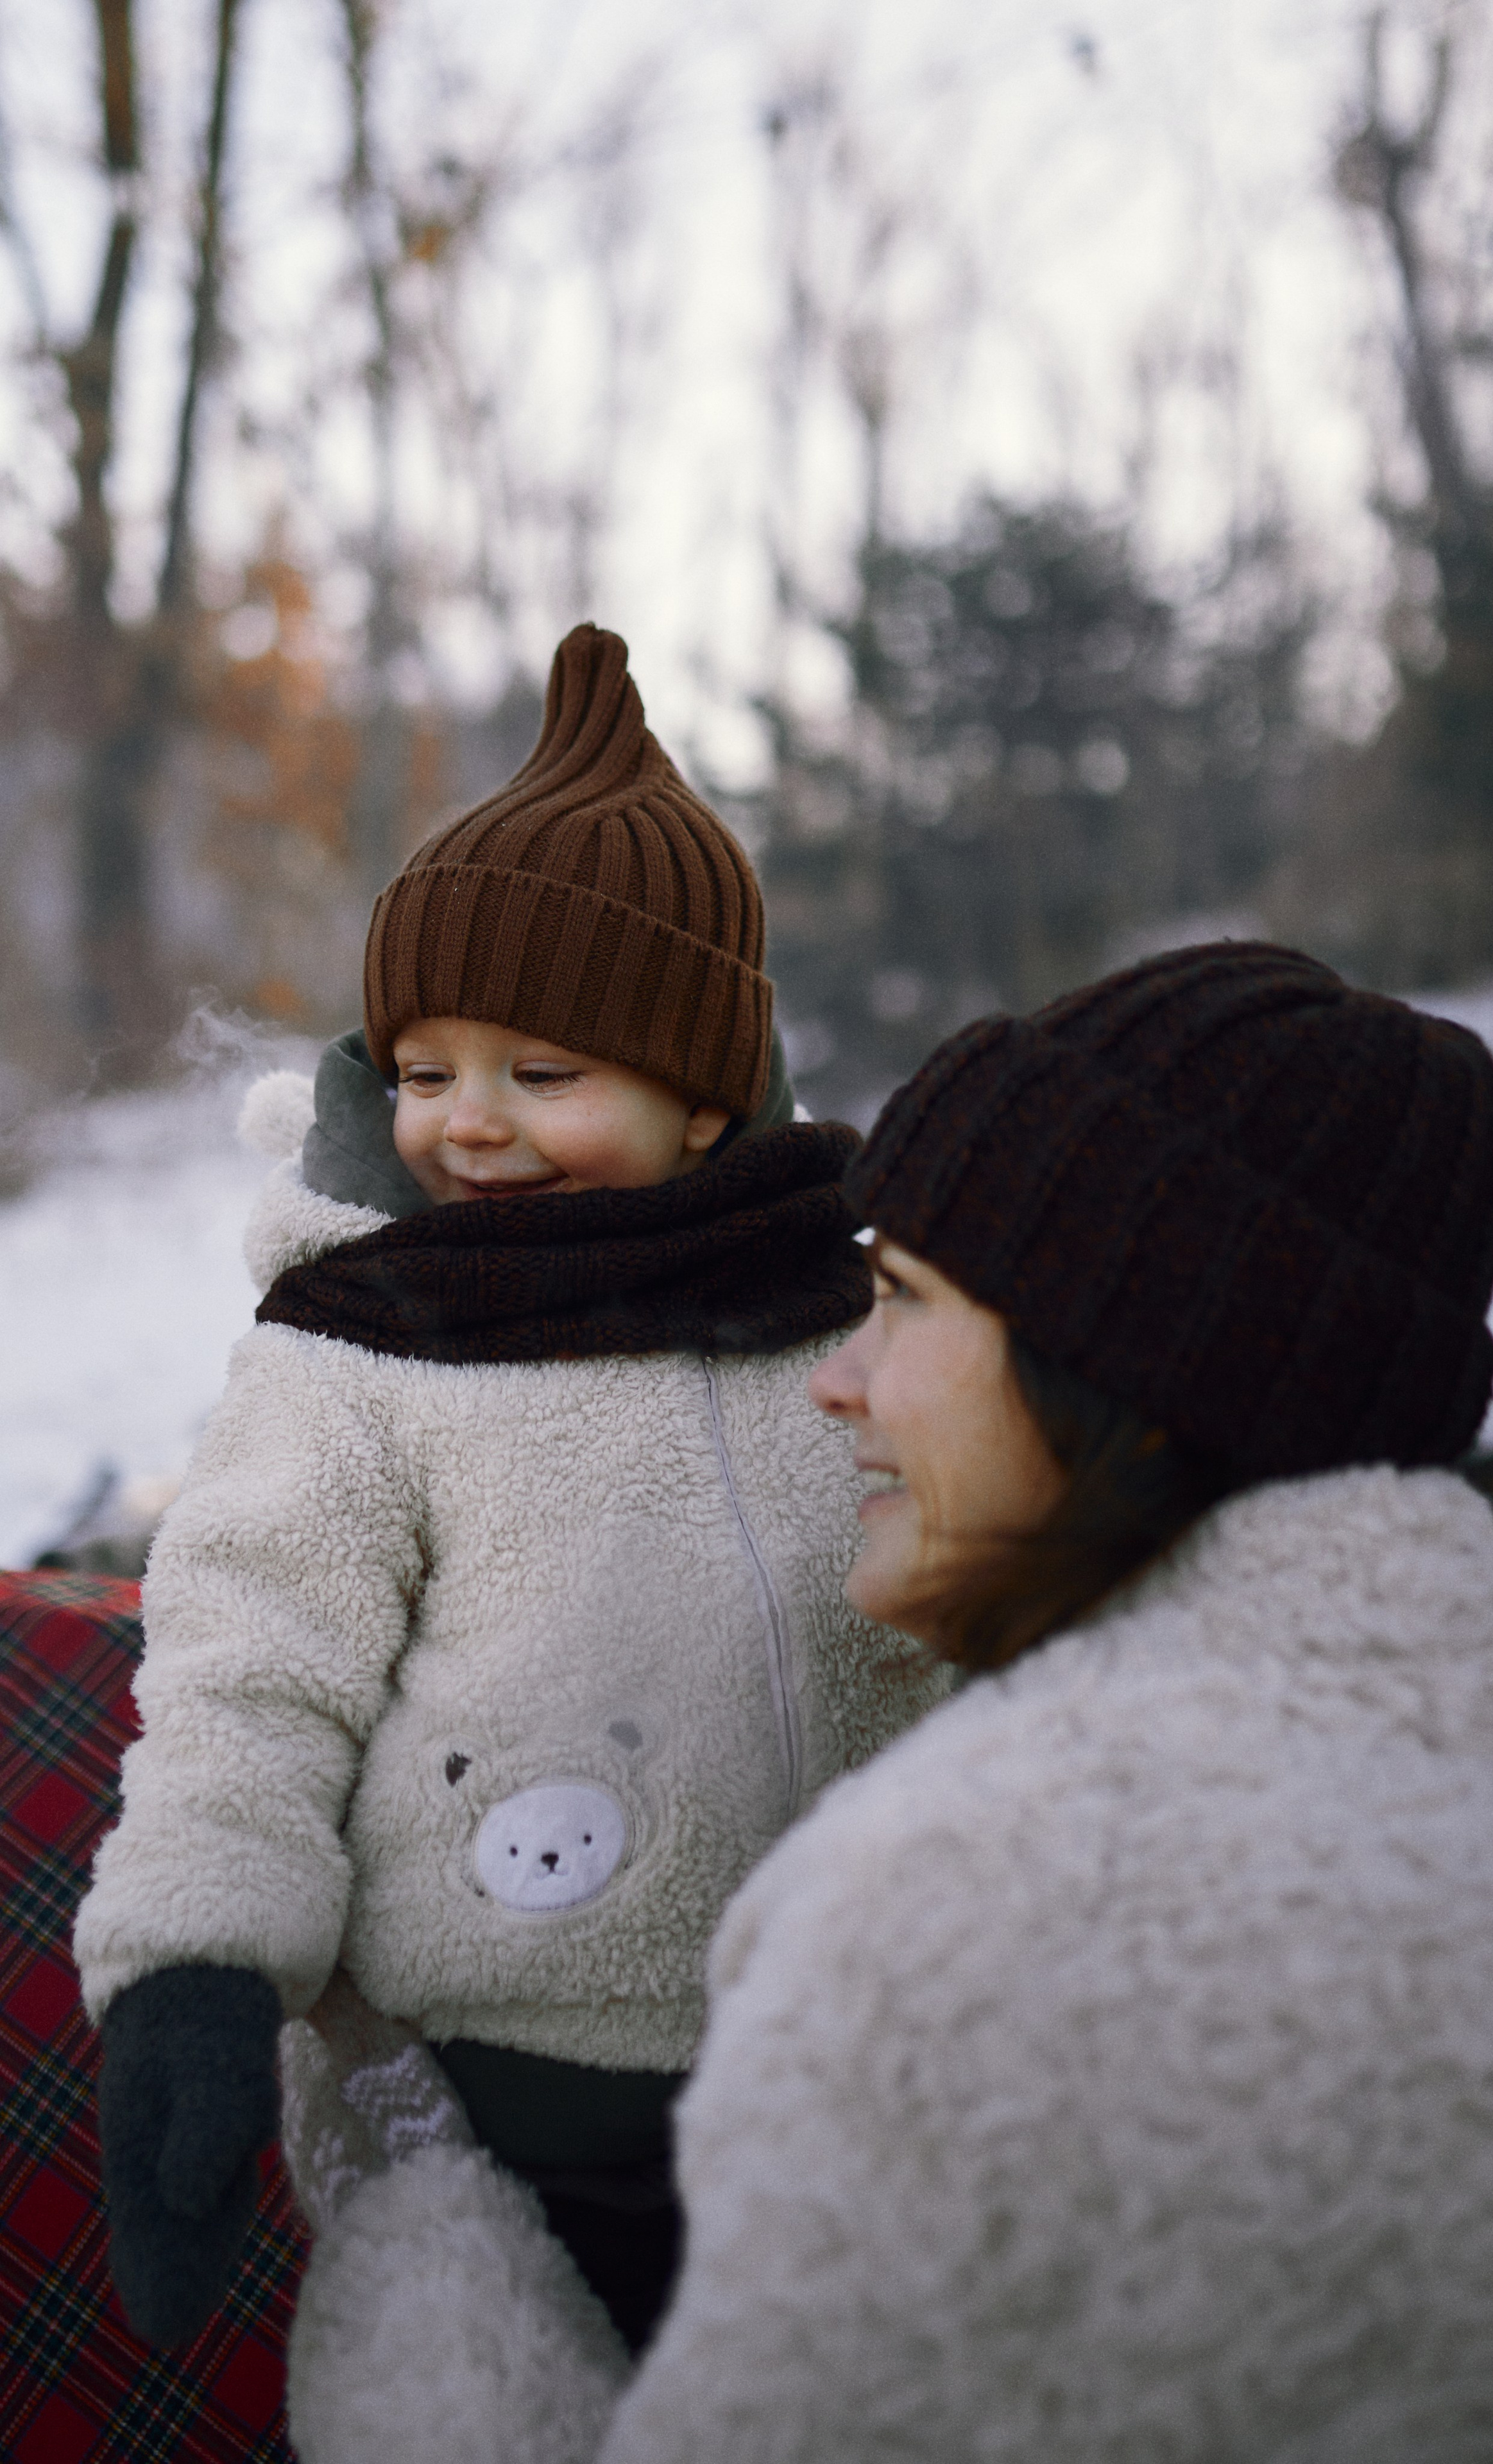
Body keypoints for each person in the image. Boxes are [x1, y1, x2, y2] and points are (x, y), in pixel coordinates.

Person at [281, 941, 1493, 2464]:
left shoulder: (938, 1919)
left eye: (907, 1301)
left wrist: (420, 2251)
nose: (837, 1377)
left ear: (1125, 1357)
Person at [71, 622, 943, 2360]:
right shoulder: (360, 1349)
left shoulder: (831, 1310)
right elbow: (251, 1679)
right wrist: (195, 1972)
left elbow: (963, 1599)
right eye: (423, 1068)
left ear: (708, 1099)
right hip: (474, 2095)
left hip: (844, 2058)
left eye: (546, 1074)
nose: (470, 1122)